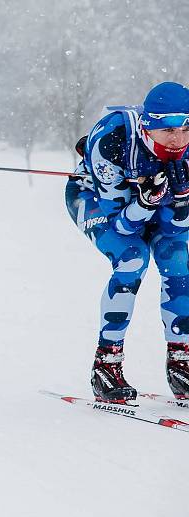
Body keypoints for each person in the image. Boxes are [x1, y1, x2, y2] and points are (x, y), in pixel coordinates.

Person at [67, 81, 189, 403]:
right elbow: (123, 227)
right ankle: (106, 364)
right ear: (148, 127)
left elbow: (178, 230)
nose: (178, 139)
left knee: (176, 257)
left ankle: (181, 362)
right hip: (94, 197)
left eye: (186, 128)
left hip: (152, 201)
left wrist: (180, 199)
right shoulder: (112, 139)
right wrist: (146, 203)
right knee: (132, 257)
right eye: (167, 130)